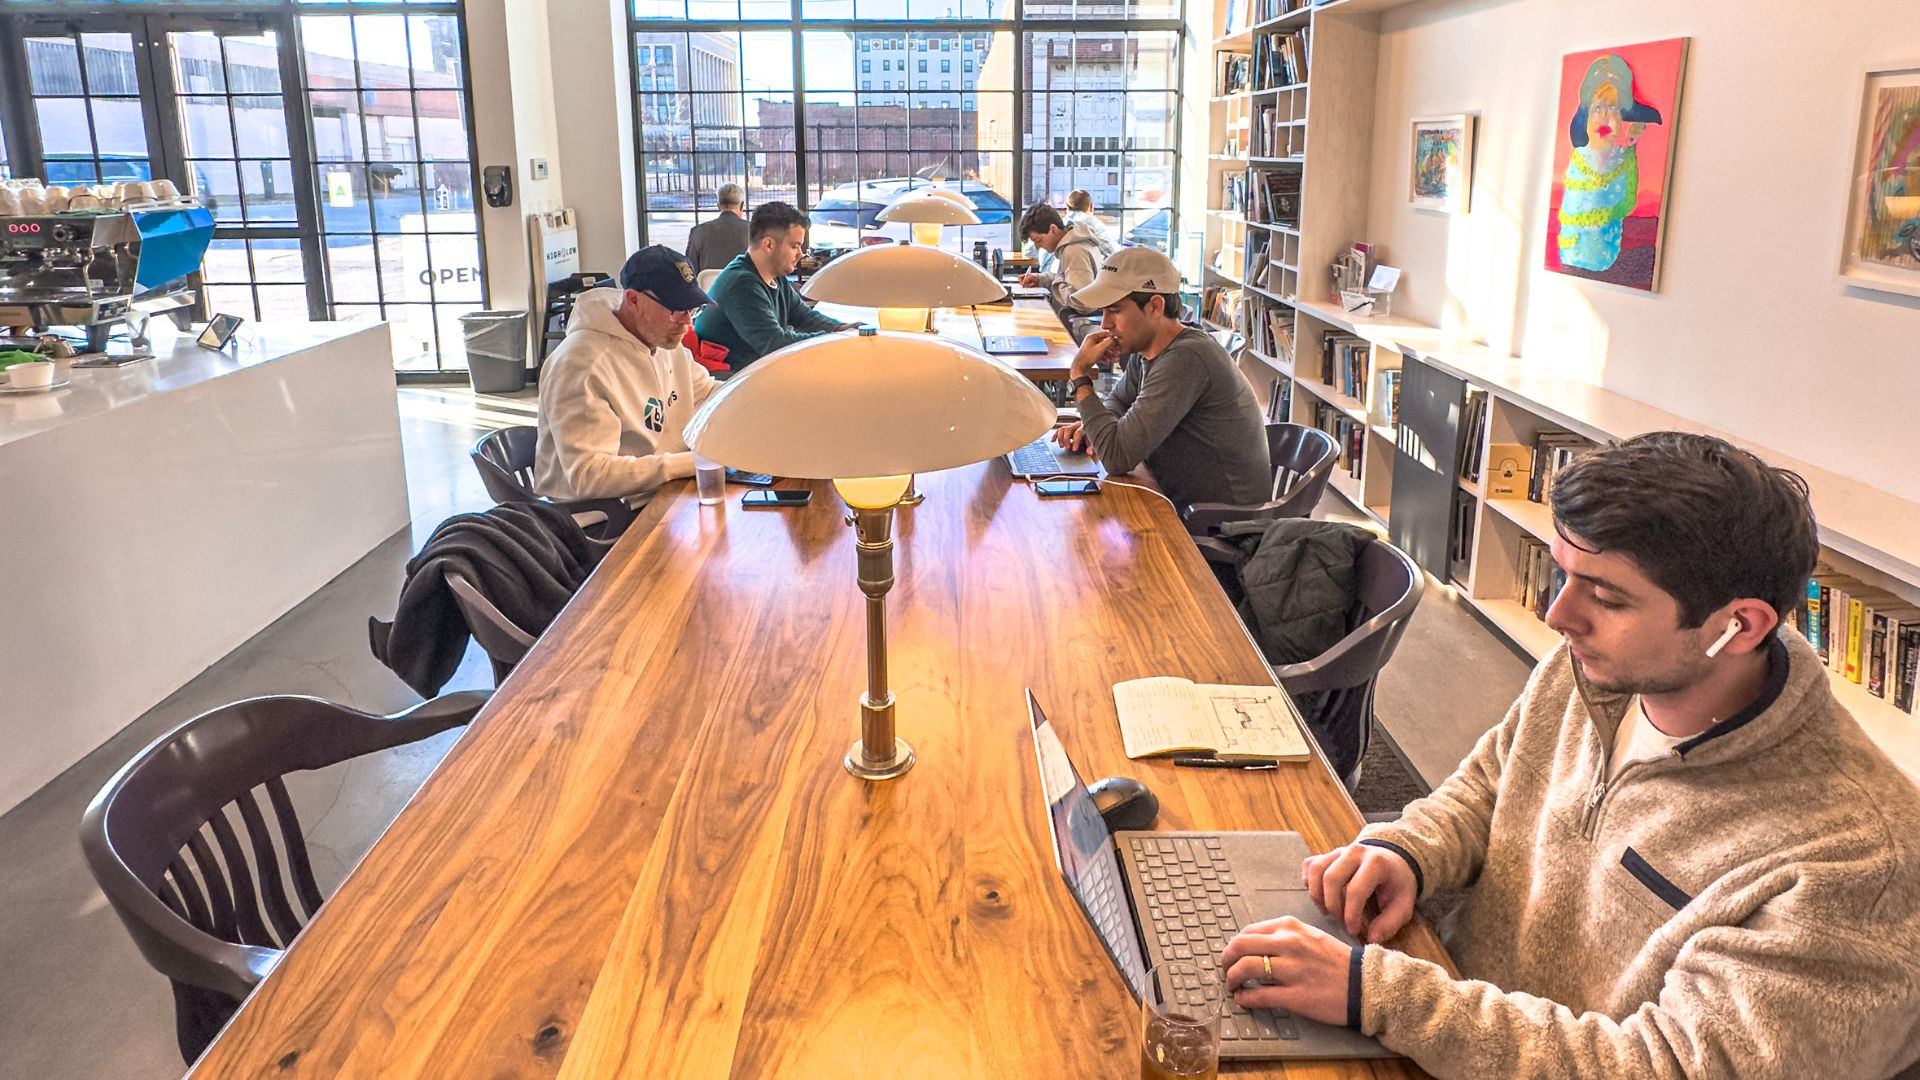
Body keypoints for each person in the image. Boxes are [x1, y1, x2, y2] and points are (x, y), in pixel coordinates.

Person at [1216, 432, 1920, 1078]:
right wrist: (1410, 851)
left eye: (1607, 597)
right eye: (1564, 573)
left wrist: (1385, 996)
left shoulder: (1858, 863)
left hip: (1444, 1020)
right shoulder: (1596, 667)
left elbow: (1668, 1068)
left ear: (1740, 626)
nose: (1558, 615)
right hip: (1444, 1010)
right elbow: (1496, 781)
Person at [1051, 247, 1270, 510]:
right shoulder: (1149, 350)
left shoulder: (1186, 359)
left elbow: (1117, 457)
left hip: (1218, 528)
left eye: (1115, 310)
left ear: (1155, 306)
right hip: (1173, 500)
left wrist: (1080, 376)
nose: (1105, 323)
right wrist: (1094, 427)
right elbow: (1118, 403)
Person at [533, 245, 720, 509]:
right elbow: (589, 475)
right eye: (676, 310)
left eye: (693, 309)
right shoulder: (580, 365)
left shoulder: (664, 341)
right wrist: (690, 463)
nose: (687, 323)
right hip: (599, 518)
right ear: (633, 299)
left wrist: (760, 393)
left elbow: (708, 394)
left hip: (659, 495)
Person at [693, 201, 854, 371]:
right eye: (795, 246)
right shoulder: (741, 284)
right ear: (768, 245)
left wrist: (842, 328)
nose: (800, 254)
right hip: (732, 381)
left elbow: (804, 317)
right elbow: (775, 344)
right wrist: (835, 338)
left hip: (757, 371)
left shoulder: (775, 276)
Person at [1017, 201, 1104, 313]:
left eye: (1038, 240)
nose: (1038, 247)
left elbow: (1084, 302)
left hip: (1079, 326)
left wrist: (1056, 287)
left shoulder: (1074, 251)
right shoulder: (1078, 243)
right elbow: (1070, 280)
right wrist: (1041, 279)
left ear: (1053, 229)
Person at [684, 183, 750, 273]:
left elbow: (690, 270)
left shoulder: (698, 232)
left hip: (708, 286)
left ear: (718, 205)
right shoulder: (754, 231)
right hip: (745, 285)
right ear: (742, 205)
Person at [1065, 188, 1120, 257]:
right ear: (1091, 206)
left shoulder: (1060, 224)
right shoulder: (1090, 223)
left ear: (1067, 208)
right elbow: (1113, 253)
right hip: (1084, 266)